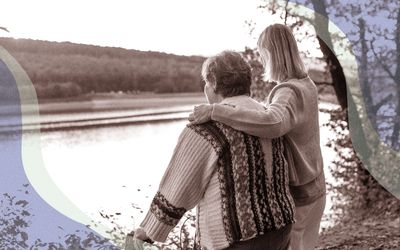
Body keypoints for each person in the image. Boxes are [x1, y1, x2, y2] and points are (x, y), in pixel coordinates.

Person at [131, 51, 295, 250]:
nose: (206, 89)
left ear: (214, 83)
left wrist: (148, 230)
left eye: (206, 83)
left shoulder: (206, 128)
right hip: (281, 227)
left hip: (238, 239)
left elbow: (180, 187)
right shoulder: (267, 117)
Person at [189, 24, 326, 250]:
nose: (262, 61)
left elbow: (273, 122)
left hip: (300, 192)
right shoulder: (306, 84)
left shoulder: (288, 91)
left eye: (263, 53)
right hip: (317, 184)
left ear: (272, 54)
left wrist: (215, 111)